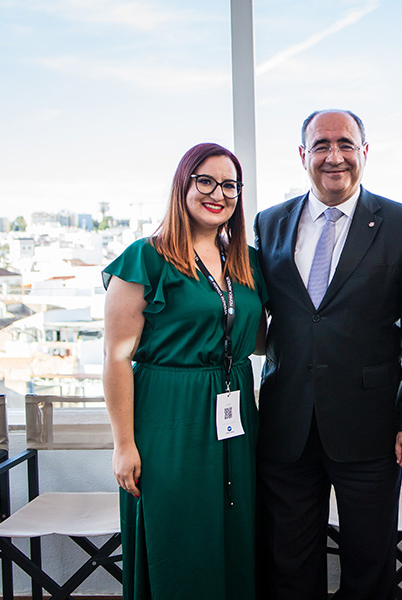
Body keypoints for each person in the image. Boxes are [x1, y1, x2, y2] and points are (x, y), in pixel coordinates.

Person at [253, 109, 402, 600]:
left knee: (369, 563)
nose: (333, 156)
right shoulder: (270, 222)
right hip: (287, 425)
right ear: (303, 156)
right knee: (288, 562)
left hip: (373, 428)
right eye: (321, 145)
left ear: (364, 152)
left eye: (345, 144)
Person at [102, 143, 267, 599]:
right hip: (169, 416)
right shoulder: (146, 258)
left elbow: (258, 338)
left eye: (230, 184)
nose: (218, 193)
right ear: (183, 186)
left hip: (234, 413)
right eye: (206, 181)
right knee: (178, 534)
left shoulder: (247, 260)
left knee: (235, 529)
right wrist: (123, 445)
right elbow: (116, 358)